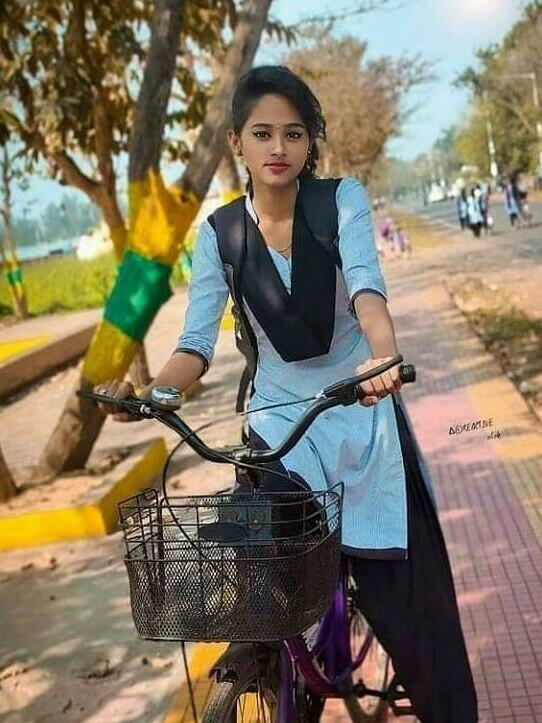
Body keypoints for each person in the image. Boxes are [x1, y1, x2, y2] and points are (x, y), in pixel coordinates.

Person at [98, 66, 477, 722]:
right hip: (281, 426)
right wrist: (154, 392)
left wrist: (383, 357)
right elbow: (195, 343)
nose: (278, 147)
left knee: (420, 615)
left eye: (293, 134)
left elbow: (367, 289)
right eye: (262, 133)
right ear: (237, 144)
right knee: (256, 574)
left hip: (359, 407)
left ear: (309, 142)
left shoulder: (340, 201)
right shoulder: (220, 233)